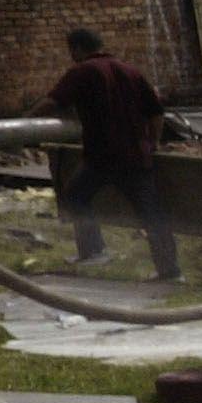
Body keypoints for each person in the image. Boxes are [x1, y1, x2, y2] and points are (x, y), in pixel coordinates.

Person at [45, 27, 178, 279]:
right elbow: (156, 112)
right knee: (151, 213)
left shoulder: (82, 71)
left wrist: (22, 122)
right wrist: (153, 142)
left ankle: (94, 251)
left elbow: (53, 101)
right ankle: (170, 271)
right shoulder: (130, 70)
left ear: (77, 49)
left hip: (101, 157)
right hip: (136, 156)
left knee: (74, 197)